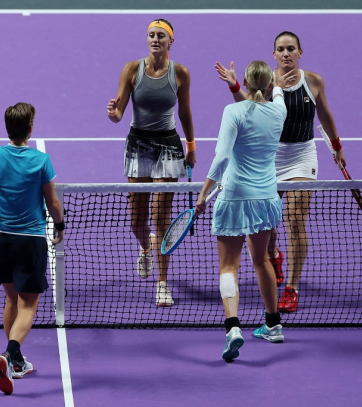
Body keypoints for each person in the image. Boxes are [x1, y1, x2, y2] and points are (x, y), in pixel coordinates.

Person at [214, 31, 347, 313]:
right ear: (273, 55)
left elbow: (324, 114)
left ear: (300, 52)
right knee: (268, 225)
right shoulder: (266, 81)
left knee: (295, 219)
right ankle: (274, 254)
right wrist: (234, 85)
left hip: (302, 156)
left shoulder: (314, 82)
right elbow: (249, 107)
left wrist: (336, 146)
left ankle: (292, 288)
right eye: (280, 50)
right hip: (270, 158)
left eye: (291, 49)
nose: (286, 54)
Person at [196, 61, 296, 360]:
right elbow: (277, 93)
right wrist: (277, 82)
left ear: (245, 82)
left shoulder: (233, 111)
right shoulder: (280, 111)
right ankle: (273, 324)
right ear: (266, 84)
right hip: (266, 198)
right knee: (262, 259)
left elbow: (222, 155)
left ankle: (232, 328)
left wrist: (203, 193)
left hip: (235, 196)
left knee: (229, 267)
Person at [0, 102, 64, 395]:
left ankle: (17, 362)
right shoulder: (41, 160)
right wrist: (60, 226)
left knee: (11, 299)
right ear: (30, 129)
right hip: (29, 240)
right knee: (29, 304)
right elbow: (52, 203)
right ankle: (10, 353)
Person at [106, 19, 197, 306]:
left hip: (168, 146)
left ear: (171, 41)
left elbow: (185, 112)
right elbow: (119, 112)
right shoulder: (132, 70)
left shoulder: (180, 73)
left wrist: (191, 145)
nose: (155, 39)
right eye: (151, 35)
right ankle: (145, 247)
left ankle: (162, 283)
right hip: (138, 144)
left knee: (161, 219)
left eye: (161, 36)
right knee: (137, 221)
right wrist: (113, 113)